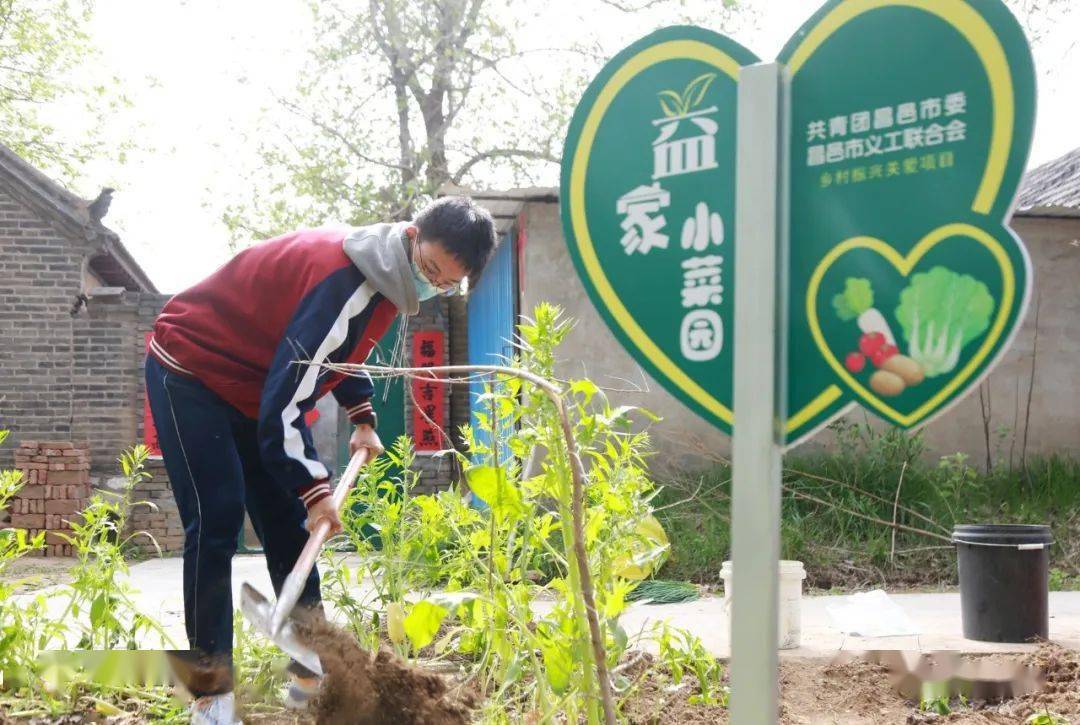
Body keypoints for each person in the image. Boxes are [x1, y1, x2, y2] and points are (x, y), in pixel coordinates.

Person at [144, 197, 496, 724]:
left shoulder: (385, 272)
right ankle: (210, 696)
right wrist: (315, 490)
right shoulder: (347, 278)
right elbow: (288, 397)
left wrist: (362, 415)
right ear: (413, 234)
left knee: (291, 530)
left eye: (446, 283)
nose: (431, 284)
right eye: (429, 269)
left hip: (253, 383)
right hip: (192, 367)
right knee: (216, 521)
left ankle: (309, 682)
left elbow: (337, 352)